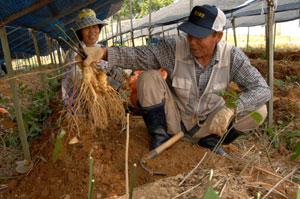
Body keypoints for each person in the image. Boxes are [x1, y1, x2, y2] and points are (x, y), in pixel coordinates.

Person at [80, 5, 271, 157]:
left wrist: (232, 108)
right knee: (148, 77)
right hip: (175, 120)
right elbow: (140, 55)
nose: (192, 41)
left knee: (259, 110)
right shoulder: (174, 48)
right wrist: (104, 52)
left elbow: (262, 89)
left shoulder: (233, 57)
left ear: (217, 36)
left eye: (199, 36)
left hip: (211, 125)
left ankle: (212, 142)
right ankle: (160, 136)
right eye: (189, 34)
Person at [62, 8, 123, 106]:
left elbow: (106, 69)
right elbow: (80, 81)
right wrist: (104, 81)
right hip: (78, 97)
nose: (92, 32)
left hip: (100, 95)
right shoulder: (74, 52)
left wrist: (114, 70)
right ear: (80, 32)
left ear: (99, 29)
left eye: (94, 27)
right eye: (87, 28)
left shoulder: (101, 48)